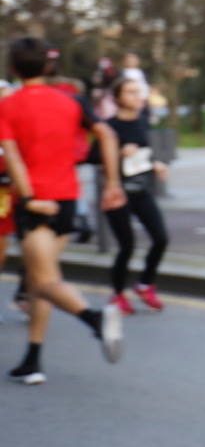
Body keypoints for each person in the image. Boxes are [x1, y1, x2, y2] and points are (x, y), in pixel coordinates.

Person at [1, 37, 127, 385]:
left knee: (42, 281)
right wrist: (113, 183)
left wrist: (27, 199)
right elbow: (108, 135)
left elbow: (12, 158)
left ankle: (96, 320)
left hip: (38, 202)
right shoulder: (74, 101)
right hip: (69, 201)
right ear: (47, 65)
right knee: (45, 278)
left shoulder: (8, 106)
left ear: (13, 68)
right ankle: (32, 359)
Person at [93, 76, 169, 314]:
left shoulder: (143, 121)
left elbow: (143, 154)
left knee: (161, 238)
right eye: (131, 92)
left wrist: (156, 164)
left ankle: (145, 284)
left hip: (141, 190)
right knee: (127, 245)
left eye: (139, 92)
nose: (138, 97)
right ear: (118, 98)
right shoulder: (109, 126)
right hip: (118, 193)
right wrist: (118, 153)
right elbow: (92, 157)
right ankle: (117, 295)